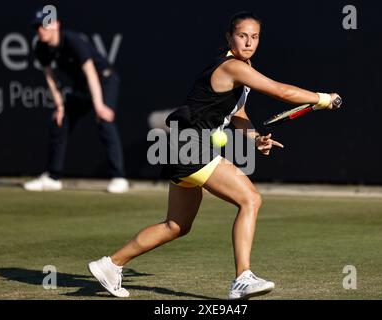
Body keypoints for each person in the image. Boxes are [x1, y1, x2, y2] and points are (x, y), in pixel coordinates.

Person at [88, 12, 341, 299]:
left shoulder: (241, 70)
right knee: (251, 199)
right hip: (191, 146)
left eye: (254, 37)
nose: (248, 42)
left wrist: (255, 138)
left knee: (176, 225)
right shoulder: (233, 67)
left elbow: (238, 114)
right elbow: (280, 91)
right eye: (242, 35)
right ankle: (242, 278)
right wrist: (322, 98)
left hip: (179, 146)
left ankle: (111, 264)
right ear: (229, 37)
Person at [23, 9, 128, 193]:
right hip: (82, 87)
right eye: (37, 26)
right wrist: (60, 106)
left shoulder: (73, 41)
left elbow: (91, 73)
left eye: (44, 25)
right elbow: (50, 78)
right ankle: (53, 177)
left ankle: (119, 178)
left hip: (104, 80)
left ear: (56, 25)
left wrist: (99, 106)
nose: (40, 30)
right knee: (59, 121)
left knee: (104, 120)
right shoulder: (40, 47)